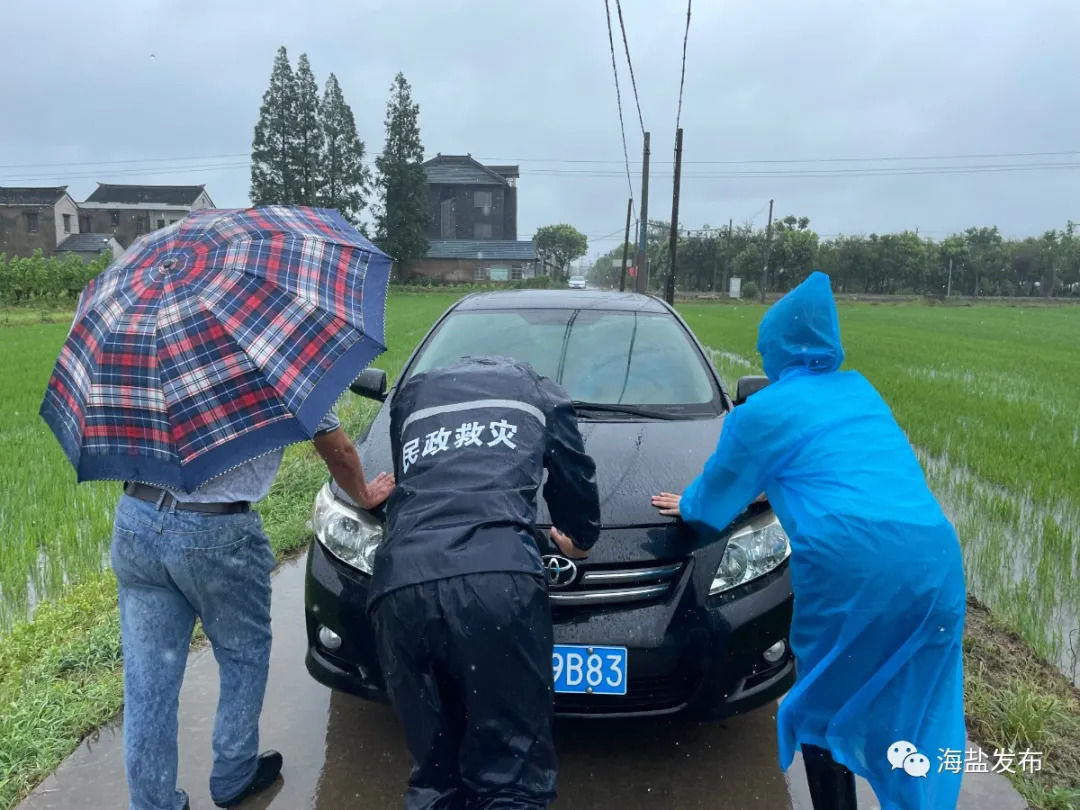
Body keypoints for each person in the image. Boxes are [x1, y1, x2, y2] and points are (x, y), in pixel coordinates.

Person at [652, 272, 966, 810]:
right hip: (934, 565)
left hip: (855, 570)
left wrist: (685, 503)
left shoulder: (762, 413)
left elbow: (709, 507)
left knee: (826, 702)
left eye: (763, 348)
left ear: (777, 347)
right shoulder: (859, 391)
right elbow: (837, 471)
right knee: (918, 710)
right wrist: (769, 490)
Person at [111, 407, 394, 810]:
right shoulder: (265, 355)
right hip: (215, 531)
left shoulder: (154, 359)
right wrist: (364, 494)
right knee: (243, 652)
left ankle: (153, 803)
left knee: (147, 680)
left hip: (136, 519)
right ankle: (234, 774)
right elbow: (338, 449)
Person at [369, 356, 601, 810]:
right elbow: (574, 475)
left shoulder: (413, 395)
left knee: (434, 772)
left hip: (401, 585)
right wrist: (580, 539)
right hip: (497, 584)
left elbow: (415, 480)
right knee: (510, 772)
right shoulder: (540, 394)